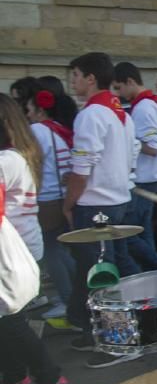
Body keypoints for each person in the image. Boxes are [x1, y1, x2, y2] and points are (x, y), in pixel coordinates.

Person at [64, 52, 141, 369]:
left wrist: (68, 203)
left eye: (76, 76)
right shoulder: (119, 112)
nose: (73, 82)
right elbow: (132, 154)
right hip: (117, 201)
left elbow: (82, 169)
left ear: (91, 78)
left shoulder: (92, 114)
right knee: (102, 270)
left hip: (96, 206)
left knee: (101, 277)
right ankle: (93, 329)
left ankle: (120, 341)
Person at [0, 94, 71, 384]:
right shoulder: (16, 154)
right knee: (7, 322)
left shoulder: (8, 160)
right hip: (18, 244)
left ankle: (51, 379)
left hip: (14, 250)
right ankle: (16, 379)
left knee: (12, 321)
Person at [112, 62, 157, 272]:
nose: (118, 93)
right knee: (143, 231)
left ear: (130, 81)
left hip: (145, 178)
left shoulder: (144, 107)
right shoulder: (147, 104)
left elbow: (153, 147)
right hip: (151, 176)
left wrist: (128, 142)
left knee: (131, 235)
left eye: (119, 88)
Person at [25, 88, 76, 321]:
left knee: (52, 252)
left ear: (39, 110)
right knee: (60, 250)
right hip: (62, 196)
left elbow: (32, 163)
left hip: (47, 199)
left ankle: (69, 301)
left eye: (29, 110)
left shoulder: (37, 130)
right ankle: (74, 296)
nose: (27, 115)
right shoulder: (58, 130)